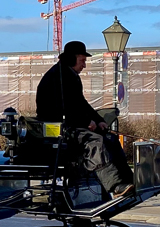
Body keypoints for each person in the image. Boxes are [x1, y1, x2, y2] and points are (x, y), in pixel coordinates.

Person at [35, 40, 134, 197]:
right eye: (82, 61)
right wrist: (86, 122)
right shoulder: (56, 77)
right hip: (58, 129)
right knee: (96, 143)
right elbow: (63, 108)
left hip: (71, 124)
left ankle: (129, 181)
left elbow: (81, 104)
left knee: (111, 139)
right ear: (72, 58)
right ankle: (115, 187)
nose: (84, 65)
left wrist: (98, 120)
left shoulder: (71, 75)